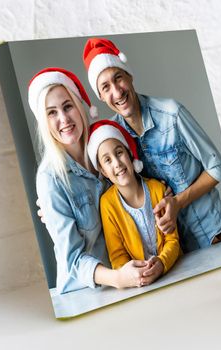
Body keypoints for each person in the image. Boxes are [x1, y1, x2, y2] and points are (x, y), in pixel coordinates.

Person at [82, 38, 221, 253]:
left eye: (119, 78)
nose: (116, 92)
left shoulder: (172, 113)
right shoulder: (113, 138)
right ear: (100, 96)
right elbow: (101, 183)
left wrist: (178, 202)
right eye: (105, 87)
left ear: (130, 76)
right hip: (173, 249)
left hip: (214, 234)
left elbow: (218, 168)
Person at [28, 67, 149, 294]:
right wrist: (118, 278)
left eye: (67, 106)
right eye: (51, 112)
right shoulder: (50, 179)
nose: (63, 119)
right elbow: (73, 260)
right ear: (44, 122)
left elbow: (137, 188)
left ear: (79, 106)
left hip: (130, 277)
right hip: (86, 293)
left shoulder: (105, 148)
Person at [87, 120, 181, 285]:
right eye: (107, 160)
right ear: (103, 170)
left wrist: (162, 263)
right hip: (138, 284)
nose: (117, 163)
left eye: (119, 152)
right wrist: (135, 275)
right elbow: (117, 256)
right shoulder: (107, 204)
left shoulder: (158, 189)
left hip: (174, 272)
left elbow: (172, 240)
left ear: (129, 154)